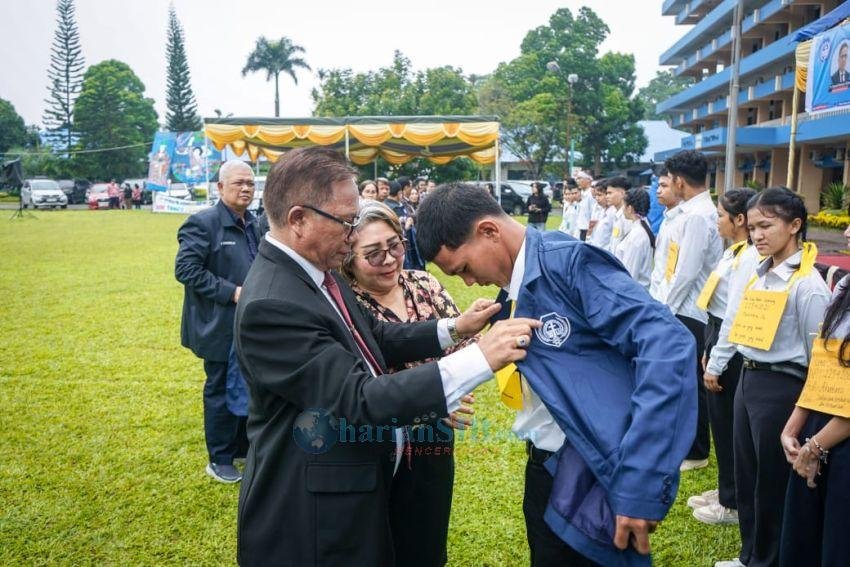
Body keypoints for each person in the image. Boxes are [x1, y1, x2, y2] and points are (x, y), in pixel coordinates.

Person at [232, 147, 539, 566]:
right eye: (345, 222)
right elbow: (358, 400)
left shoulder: (315, 271)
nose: (352, 233)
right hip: (316, 508)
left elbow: (373, 336)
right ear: (298, 219)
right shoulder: (273, 304)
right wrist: (480, 358)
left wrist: (453, 329)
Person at [416, 183, 697, 567]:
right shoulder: (512, 288)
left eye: (464, 268)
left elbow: (668, 345)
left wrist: (640, 481)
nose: (467, 282)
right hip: (545, 469)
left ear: (489, 231)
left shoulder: (570, 264)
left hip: (591, 472)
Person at [341, 200, 476, 567]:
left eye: (395, 245)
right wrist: (431, 397)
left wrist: (453, 390)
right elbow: (356, 379)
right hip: (374, 436)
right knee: (378, 534)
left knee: (427, 535)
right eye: (372, 253)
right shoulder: (345, 303)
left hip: (435, 432)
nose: (388, 259)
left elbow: (464, 345)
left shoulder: (423, 282)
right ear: (348, 258)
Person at [714, 187, 830, 567]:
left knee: (773, 484)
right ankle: (749, 555)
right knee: (748, 476)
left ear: (795, 225)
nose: (757, 235)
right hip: (748, 380)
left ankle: (769, 560)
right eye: (754, 227)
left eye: (768, 226)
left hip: (781, 389)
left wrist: (801, 416)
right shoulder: (759, 274)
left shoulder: (808, 286)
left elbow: (820, 364)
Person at [174, 160, 259, 484]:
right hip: (217, 325)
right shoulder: (203, 223)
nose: (246, 188)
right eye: (238, 183)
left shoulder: (254, 223)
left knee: (248, 384)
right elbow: (186, 270)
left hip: (249, 325)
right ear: (220, 187)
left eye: (250, 183)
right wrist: (231, 292)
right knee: (220, 388)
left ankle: (241, 447)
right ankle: (219, 458)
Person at [780, 224, 850, 565]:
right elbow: (823, 363)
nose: (848, 233)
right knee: (808, 534)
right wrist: (795, 425)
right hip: (824, 423)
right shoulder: (845, 286)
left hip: (840, 434)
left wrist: (816, 445)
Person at [689, 188, 759, 527]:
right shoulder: (736, 251)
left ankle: (733, 503)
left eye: (720, 215)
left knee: (729, 427)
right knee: (721, 425)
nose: (716, 220)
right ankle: (726, 490)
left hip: (727, 343)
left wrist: (715, 362)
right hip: (714, 334)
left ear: (740, 219)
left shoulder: (748, 258)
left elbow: (734, 315)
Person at [657, 150, 723, 472]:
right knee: (687, 381)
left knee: (694, 383)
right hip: (682, 307)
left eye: (670, 181)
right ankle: (689, 444)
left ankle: (697, 451)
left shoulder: (698, 216)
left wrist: (664, 311)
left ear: (680, 181)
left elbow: (686, 271)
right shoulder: (691, 213)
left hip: (690, 311)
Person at [649, 167, 682, 300]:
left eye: (664, 186)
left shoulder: (683, 221)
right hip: (656, 294)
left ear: (679, 186)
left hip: (667, 300)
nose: (658, 191)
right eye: (658, 186)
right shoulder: (666, 219)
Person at [613, 187, 654, 291]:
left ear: (630, 208)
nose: (622, 209)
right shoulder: (641, 227)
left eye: (624, 205)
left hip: (634, 291)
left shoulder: (637, 235)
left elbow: (630, 273)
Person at [605, 177, 631, 253]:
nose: (607, 196)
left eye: (610, 193)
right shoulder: (615, 214)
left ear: (622, 194)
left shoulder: (627, 217)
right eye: (606, 193)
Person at [587, 180, 615, 249]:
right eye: (595, 195)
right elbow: (592, 230)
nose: (597, 198)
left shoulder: (613, 213)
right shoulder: (600, 211)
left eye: (599, 195)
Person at [575, 171, 595, 241]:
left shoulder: (591, 195)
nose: (577, 181)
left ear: (588, 180)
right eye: (577, 179)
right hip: (580, 228)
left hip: (587, 230)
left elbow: (593, 214)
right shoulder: (581, 194)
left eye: (580, 178)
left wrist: (590, 233)